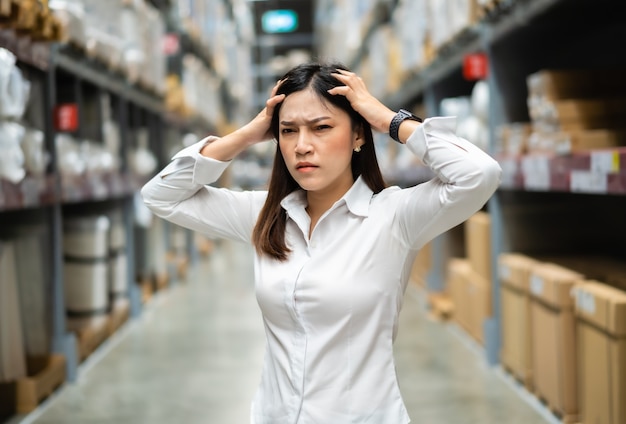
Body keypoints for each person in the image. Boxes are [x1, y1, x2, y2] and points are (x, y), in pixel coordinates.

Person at [141, 62, 502, 423]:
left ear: (358, 135)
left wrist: (386, 119)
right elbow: (161, 195)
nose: (302, 146)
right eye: (288, 131)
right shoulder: (266, 217)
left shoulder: (393, 217)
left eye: (322, 128)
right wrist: (249, 134)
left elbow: (478, 174)